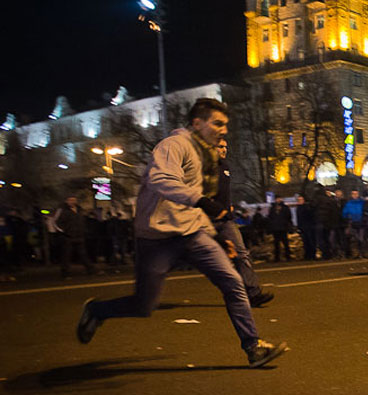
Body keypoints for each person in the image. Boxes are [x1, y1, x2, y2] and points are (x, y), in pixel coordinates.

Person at [76, 97, 287, 367]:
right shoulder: (174, 146)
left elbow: (195, 204)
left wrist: (219, 238)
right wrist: (203, 202)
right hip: (157, 237)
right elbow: (163, 180)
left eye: (226, 125)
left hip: (193, 233)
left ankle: (253, 347)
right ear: (197, 123)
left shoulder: (208, 155)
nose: (223, 130)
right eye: (217, 123)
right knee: (144, 305)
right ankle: (96, 310)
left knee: (233, 283)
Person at [204, 138, 273, 307]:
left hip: (226, 220)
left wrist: (229, 207)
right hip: (207, 220)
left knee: (241, 253)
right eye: (220, 146)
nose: (224, 150)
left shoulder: (225, 167)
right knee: (209, 259)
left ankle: (252, 293)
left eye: (225, 147)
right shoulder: (202, 168)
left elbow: (224, 193)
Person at [55, 195, 95, 276]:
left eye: (74, 200)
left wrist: (83, 231)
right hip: (68, 237)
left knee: (83, 254)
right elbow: (56, 222)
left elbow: (82, 222)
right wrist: (65, 232)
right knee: (66, 255)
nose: (72, 202)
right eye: (70, 200)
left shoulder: (79, 210)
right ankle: (65, 272)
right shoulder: (62, 210)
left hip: (79, 236)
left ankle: (90, 269)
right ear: (67, 201)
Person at [342, 189, 366, 258]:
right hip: (353, 223)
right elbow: (344, 213)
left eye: (356, 194)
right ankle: (358, 253)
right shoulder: (349, 203)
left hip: (361, 223)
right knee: (356, 239)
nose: (355, 195)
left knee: (360, 239)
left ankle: (361, 253)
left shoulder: (361, 202)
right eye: (353, 194)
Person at [295, 193, 316, 260]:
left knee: (310, 241)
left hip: (308, 227)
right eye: (299, 200)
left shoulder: (306, 207)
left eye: (301, 199)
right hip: (303, 227)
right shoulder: (299, 208)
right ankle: (308, 255)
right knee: (305, 242)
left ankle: (312, 255)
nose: (300, 201)